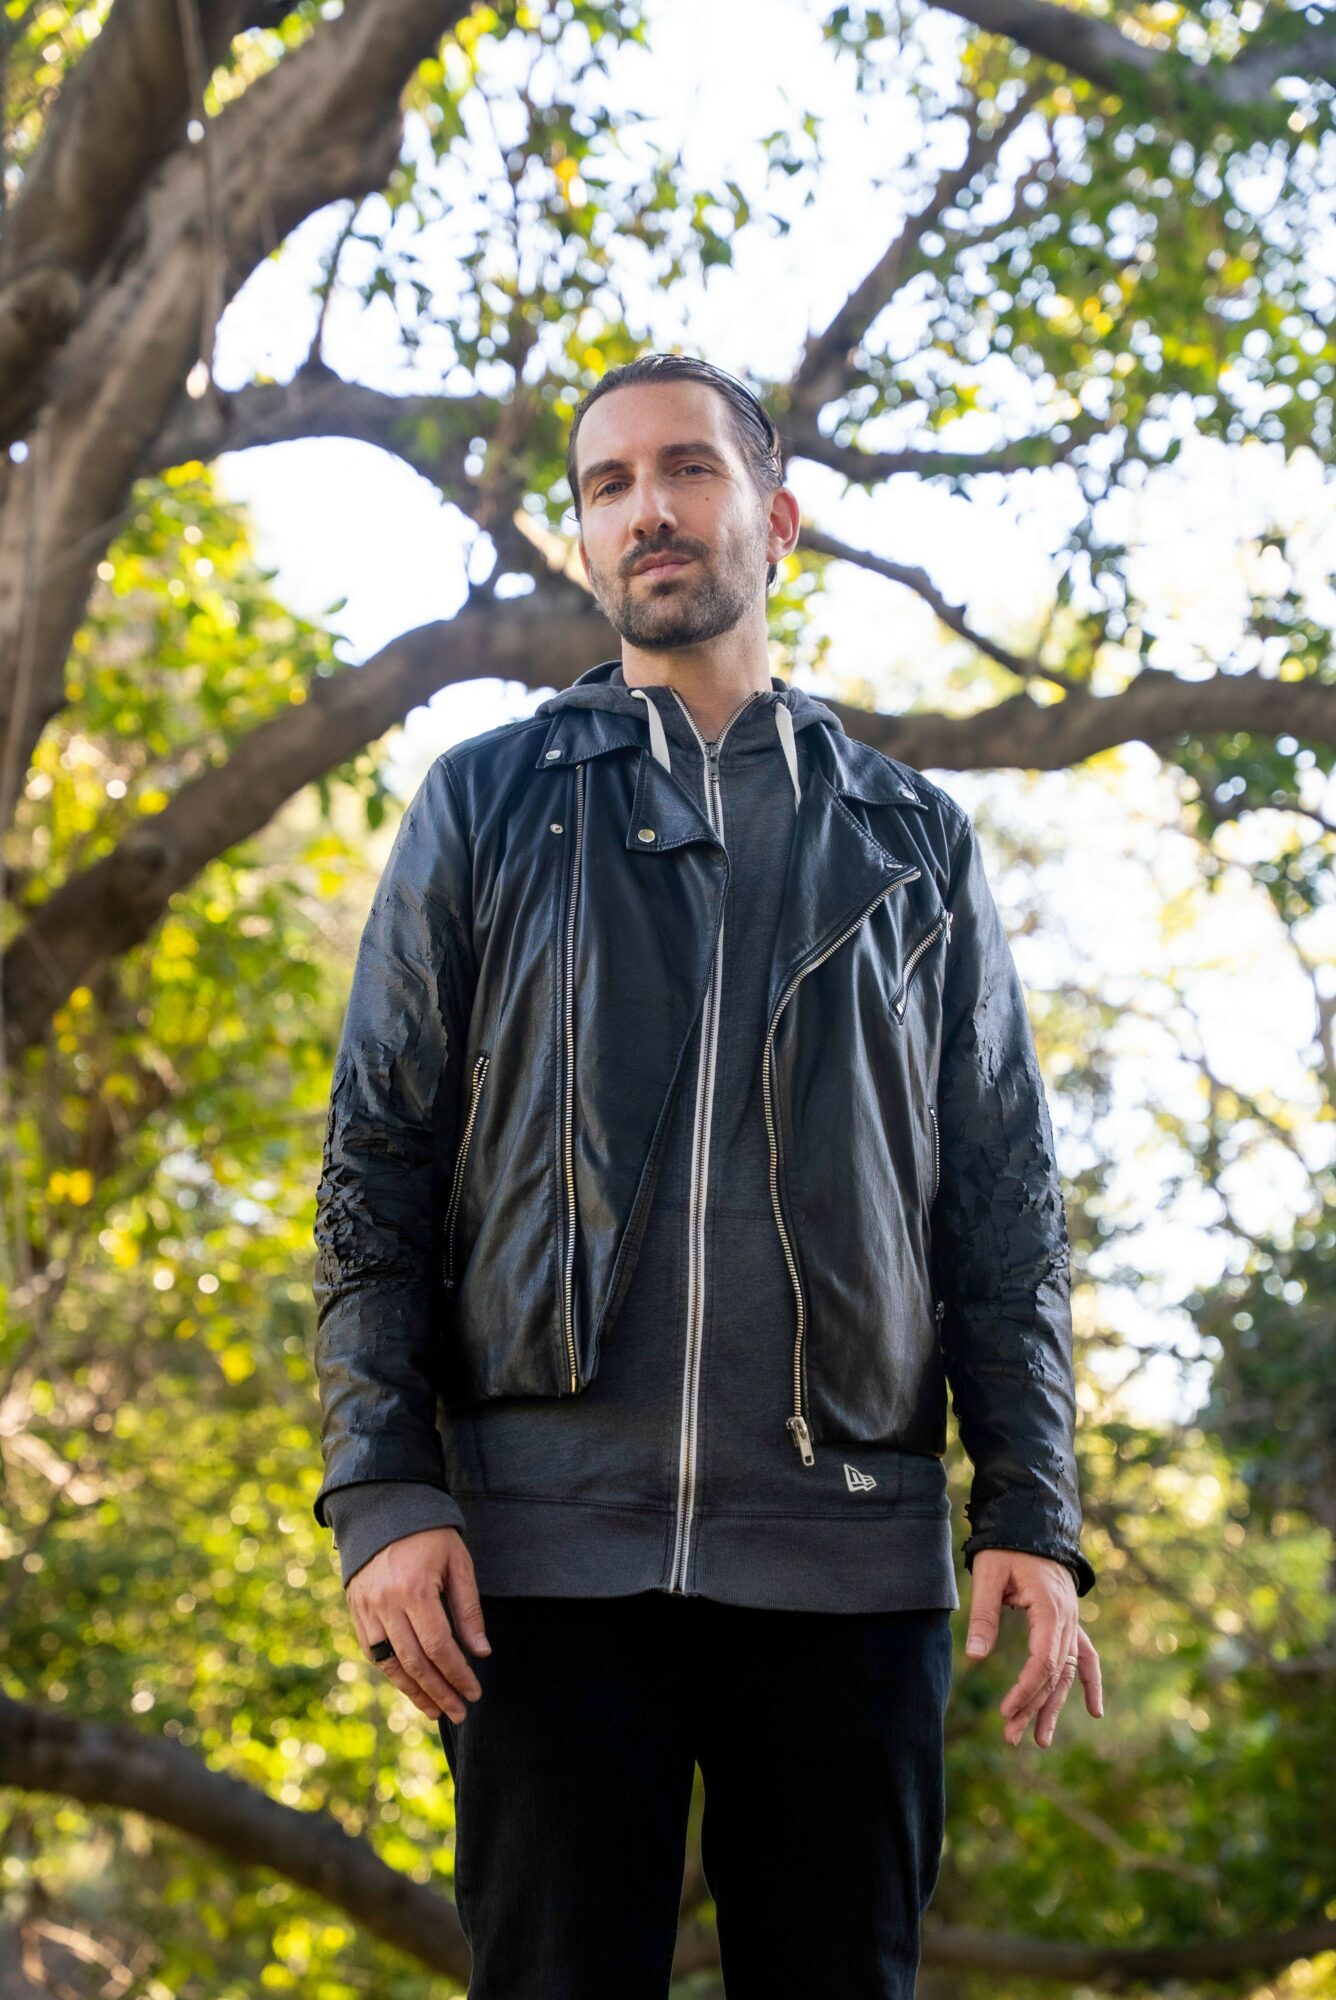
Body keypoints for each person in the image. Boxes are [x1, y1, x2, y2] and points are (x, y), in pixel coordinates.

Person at [311, 352, 1103, 1998]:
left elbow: (1002, 1205)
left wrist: (1031, 1506)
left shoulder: (913, 842)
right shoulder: (488, 804)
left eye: (686, 471)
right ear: (590, 543)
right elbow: (377, 1161)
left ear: (777, 518)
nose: (647, 510)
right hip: (544, 1567)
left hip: (849, 1563)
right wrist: (385, 1491)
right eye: (607, 487)